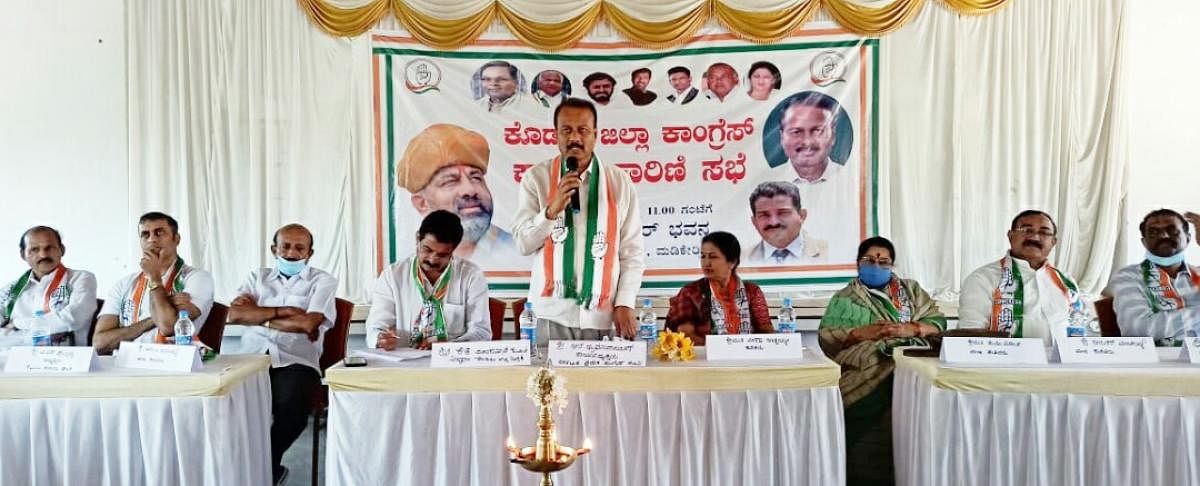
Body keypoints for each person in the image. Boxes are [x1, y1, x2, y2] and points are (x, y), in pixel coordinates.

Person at [512, 97, 646, 340]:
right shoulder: (536, 179)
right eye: (566, 130)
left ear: (595, 135)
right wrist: (550, 212)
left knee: (603, 380)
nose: (575, 138)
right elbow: (523, 243)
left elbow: (632, 253)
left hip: (603, 315)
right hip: (549, 314)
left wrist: (625, 303)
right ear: (556, 135)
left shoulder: (619, 182)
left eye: (583, 130)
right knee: (547, 379)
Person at [819, 236, 945, 486]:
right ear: (858, 263)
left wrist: (910, 329)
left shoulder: (912, 291)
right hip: (865, 370)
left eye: (884, 261)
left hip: (914, 367)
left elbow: (938, 323)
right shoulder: (844, 298)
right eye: (869, 260)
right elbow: (827, 337)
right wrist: (862, 333)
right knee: (865, 456)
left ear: (892, 265)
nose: (876, 265)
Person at [227, 224, 337, 485]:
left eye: (300, 248)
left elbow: (308, 324)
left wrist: (259, 315)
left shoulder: (322, 281)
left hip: (295, 360)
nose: (291, 253)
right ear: (274, 249)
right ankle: (240, 466)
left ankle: (265, 466)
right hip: (250, 358)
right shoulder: (257, 277)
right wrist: (283, 312)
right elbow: (235, 314)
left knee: (291, 406)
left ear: (310, 253)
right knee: (226, 400)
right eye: (285, 246)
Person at [397, 123, 522, 266]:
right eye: (450, 181)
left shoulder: (519, 253)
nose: (469, 190)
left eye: (476, 178)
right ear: (422, 204)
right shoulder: (409, 266)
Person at [365, 210, 491, 349]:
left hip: (453, 364)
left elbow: (481, 332)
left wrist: (447, 347)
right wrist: (380, 339)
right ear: (418, 238)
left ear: (454, 250)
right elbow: (375, 327)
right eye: (427, 249)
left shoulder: (471, 276)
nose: (432, 259)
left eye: (442, 255)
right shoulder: (393, 276)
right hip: (403, 365)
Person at [93, 212, 214, 354]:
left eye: (159, 233)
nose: (152, 239)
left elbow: (168, 327)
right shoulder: (124, 284)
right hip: (126, 365)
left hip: (173, 365)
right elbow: (99, 343)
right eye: (145, 234)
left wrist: (154, 278)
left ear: (177, 239)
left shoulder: (197, 278)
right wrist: (152, 319)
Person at [958, 210, 1086, 343]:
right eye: (1026, 229)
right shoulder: (983, 279)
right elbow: (970, 335)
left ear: (1053, 242)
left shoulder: (1067, 282)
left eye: (1044, 232)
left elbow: (1078, 331)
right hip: (1003, 361)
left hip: (1062, 362)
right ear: (1010, 236)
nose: (1035, 237)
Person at [775, 91, 858, 261]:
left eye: (817, 131)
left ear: (833, 135)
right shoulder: (764, 186)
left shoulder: (854, 183)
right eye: (796, 132)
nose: (807, 142)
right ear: (781, 138)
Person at [1110, 209, 1200, 345]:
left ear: (1188, 238)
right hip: (1159, 362)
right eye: (1153, 232)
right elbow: (1138, 330)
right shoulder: (1129, 276)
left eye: (1172, 230)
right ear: (1144, 242)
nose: (1164, 235)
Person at [664, 231, 771, 345]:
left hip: (747, 356)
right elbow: (684, 334)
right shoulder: (691, 292)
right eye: (703, 256)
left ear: (732, 262)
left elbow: (766, 330)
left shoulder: (752, 291)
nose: (706, 263)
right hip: (704, 358)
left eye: (713, 257)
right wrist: (720, 349)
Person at [0, 226, 97, 346]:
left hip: (64, 358)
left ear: (62, 250)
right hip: (13, 358)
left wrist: (18, 324)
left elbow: (74, 318)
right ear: (23, 255)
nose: (43, 254)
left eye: (49, 248)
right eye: (34, 249)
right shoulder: (11, 289)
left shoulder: (81, 279)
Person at [745, 181, 828, 265]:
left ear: (802, 216)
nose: (774, 222)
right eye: (764, 215)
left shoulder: (829, 253)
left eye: (783, 213)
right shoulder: (740, 260)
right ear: (754, 222)